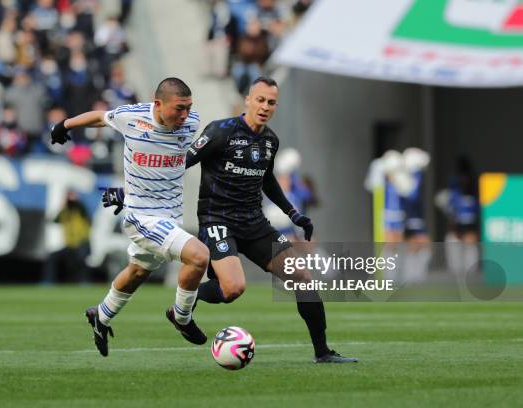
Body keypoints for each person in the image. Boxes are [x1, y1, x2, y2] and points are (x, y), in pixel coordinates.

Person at [104, 77, 357, 363]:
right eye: (260, 100)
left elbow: (268, 179)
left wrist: (293, 213)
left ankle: (323, 352)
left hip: (254, 222)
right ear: (248, 100)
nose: (265, 107)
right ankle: (184, 304)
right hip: (217, 220)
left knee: (304, 279)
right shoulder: (220, 131)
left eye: (271, 102)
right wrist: (129, 192)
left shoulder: (270, 140)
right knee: (233, 288)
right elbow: (178, 163)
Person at [50, 78, 210, 357]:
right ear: (157, 104)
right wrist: (64, 125)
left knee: (137, 272)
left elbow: (166, 164)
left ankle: (101, 315)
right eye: (179, 108)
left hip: (171, 216)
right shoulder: (131, 117)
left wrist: (126, 190)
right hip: (142, 219)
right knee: (199, 256)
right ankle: (182, 317)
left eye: (189, 107)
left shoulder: (192, 123)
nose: (184, 115)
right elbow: (100, 117)